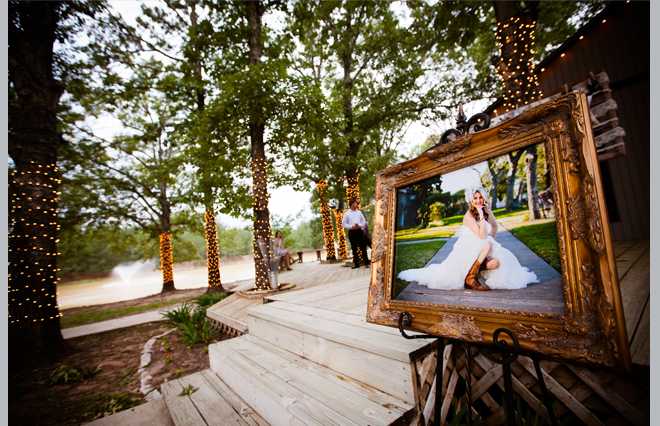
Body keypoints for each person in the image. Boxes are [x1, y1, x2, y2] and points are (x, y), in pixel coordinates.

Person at [397, 186, 538, 291]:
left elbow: (494, 227)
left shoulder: (487, 211)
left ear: (484, 198)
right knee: (487, 244)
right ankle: (470, 278)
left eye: (480, 197)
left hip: (482, 248)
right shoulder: (469, 216)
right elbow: (483, 235)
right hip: (467, 250)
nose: (478, 201)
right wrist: (481, 217)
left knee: (496, 263)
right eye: (475, 198)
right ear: (471, 200)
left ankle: (474, 271)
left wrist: (493, 240)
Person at [342, 198, 371, 269]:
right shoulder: (346, 214)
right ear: (352, 204)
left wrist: (361, 225)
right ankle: (356, 264)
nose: (357, 204)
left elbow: (363, 220)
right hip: (352, 232)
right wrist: (351, 226)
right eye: (355, 203)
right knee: (354, 248)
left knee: (363, 247)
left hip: (360, 231)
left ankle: (366, 263)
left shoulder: (359, 212)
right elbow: (344, 224)